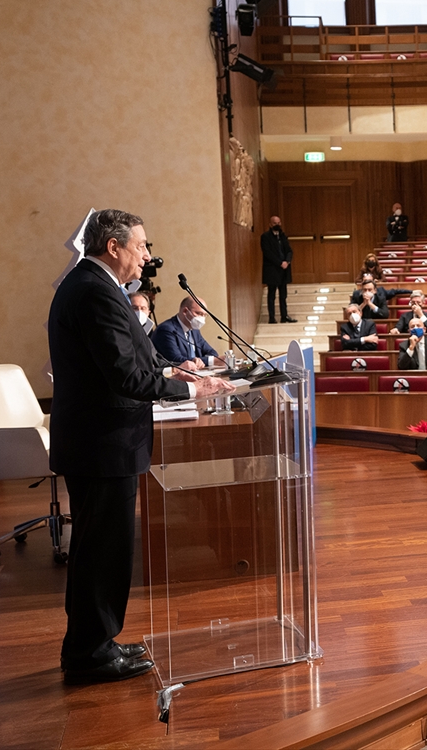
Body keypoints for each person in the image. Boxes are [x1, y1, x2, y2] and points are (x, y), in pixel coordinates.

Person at [50, 209, 233, 684]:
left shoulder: (94, 285)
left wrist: (173, 371)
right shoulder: (95, 291)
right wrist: (192, 389)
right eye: (141, 246)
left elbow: (132, 362)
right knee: (101, 552)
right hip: (102, 444)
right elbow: (125, 377)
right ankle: (90, 654)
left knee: (97, 550)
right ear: (113, 247)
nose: (147, 255)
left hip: (99, 443)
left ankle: (94, 643)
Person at [152, 297, 225, 368]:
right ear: (185, 311)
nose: (202, 318)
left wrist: (201, 361)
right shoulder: (166, 330)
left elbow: (211, 352)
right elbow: (175, 359)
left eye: (204, 315)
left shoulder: (194, 330)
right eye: (198, 313)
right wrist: (210, 361)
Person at [260, 214, 295, 324]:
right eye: (275, 223)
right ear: (270, 224)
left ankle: (284, 316)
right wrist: (280, 263)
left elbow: (289, 250)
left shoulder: (283, 236)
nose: (277, 225)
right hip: (272, 269)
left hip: (284, 269)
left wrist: (287, 261)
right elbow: (267, 253)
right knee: (271, 295)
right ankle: (272, 317)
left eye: (279, 223)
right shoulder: (265, 237)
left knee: (283, 295)